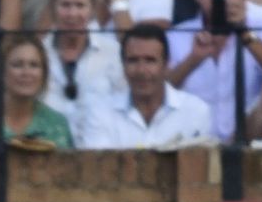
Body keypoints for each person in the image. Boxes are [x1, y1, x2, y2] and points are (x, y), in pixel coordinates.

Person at [165, 0, 262, 141]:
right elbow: (159, 91)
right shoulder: (176, 35)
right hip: (188, 146)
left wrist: (244, 32)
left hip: (246, 143)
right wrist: (194, 59)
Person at [31, 0, 126, 142]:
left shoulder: (113, 53)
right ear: (52, 7)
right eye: (65, 5)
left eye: (80, 5)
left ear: (92, 9)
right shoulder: (37, 54)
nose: (72, 14)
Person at [78, 23, 214, 148]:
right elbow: (98, 170)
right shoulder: (101, 113)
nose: (141, 70)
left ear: (166, 65)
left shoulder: (195, 111)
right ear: (123, 65)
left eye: (150, 61)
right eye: (133, 60)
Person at [0, 33, 74, 154]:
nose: (26, 72)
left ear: (44, 73)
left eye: (34, 65)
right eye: (17, 65)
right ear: (1, 71)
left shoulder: (57, 124)